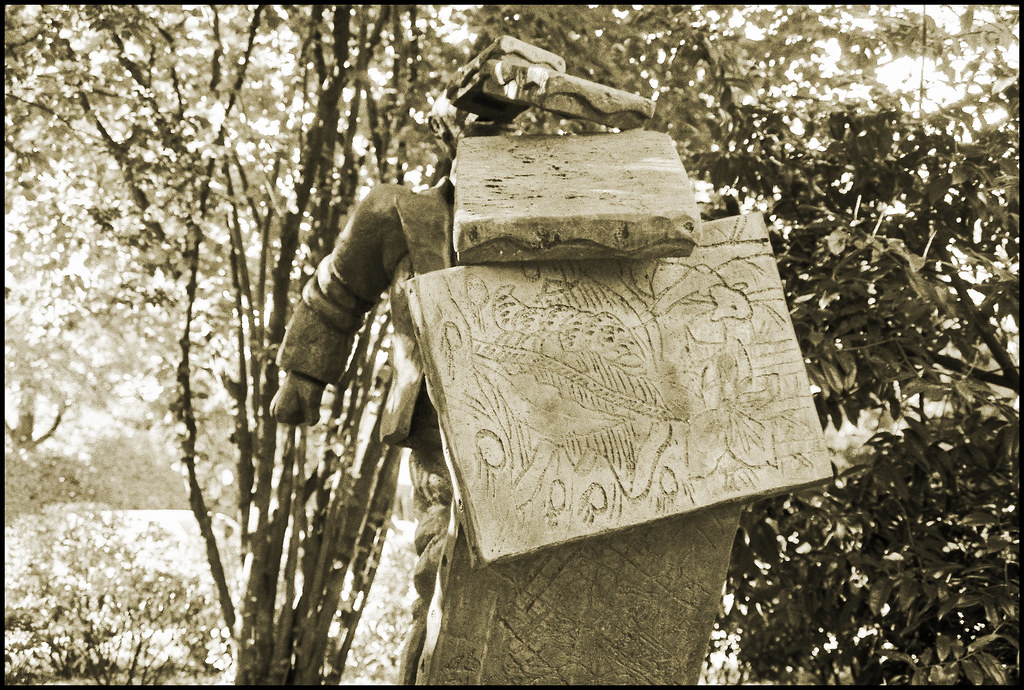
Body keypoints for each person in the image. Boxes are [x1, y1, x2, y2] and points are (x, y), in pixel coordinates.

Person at [270, 107, 493, 683]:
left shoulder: (580, 215)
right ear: (449, 140)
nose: (499, 135)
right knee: (442, 569)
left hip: (547, 435)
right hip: (437, 434)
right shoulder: (399, 212)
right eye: (485, 123)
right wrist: (303, 374)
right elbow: (336, 289)